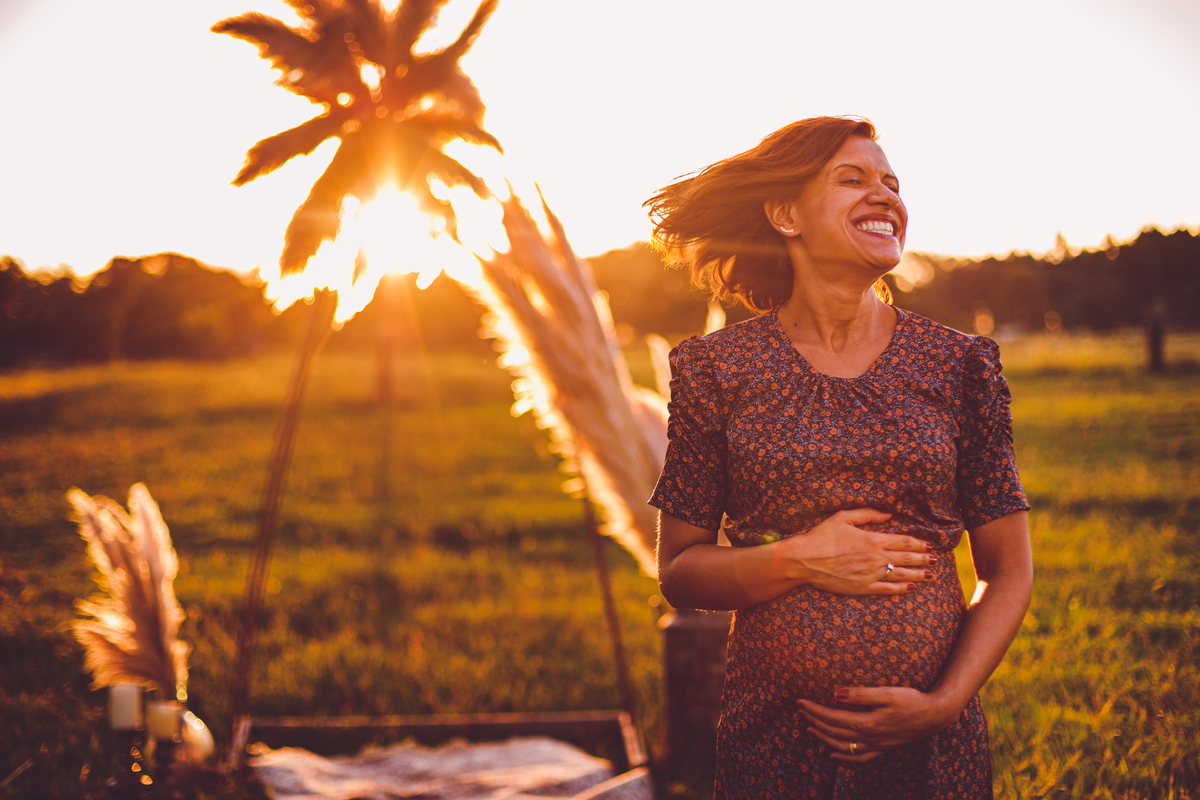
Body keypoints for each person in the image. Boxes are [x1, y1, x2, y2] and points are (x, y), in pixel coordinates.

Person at [645, 116, 1033, 799]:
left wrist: (941, 706)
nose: (884, 195)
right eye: (852, 179)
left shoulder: (960, 365)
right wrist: (801, 557)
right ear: (785, 214)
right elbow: (679, 572)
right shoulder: (716, 371)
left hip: (933, 752)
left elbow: (1008, 571)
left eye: (892, 183)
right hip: (774, 748)